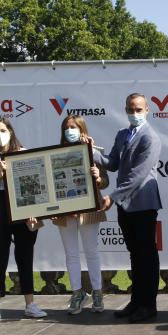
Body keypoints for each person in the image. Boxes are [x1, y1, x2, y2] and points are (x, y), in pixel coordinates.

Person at [92, 93, 163, 323]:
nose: (134, 113)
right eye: (131, 109)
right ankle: (136, 301)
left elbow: (137, 176)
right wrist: (90, 151)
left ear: (147, 110)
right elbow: (112, 164)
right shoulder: (123, 134)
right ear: (125, 110)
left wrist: (112, 197)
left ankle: (148, 305)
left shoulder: (150, 138)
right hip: (125, 205)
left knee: (147, 256)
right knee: (135, 255)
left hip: (143, 204)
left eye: (139, 109)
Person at [0, 117, 45, 325]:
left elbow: (36, 187)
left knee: (25, 256)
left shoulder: (24, 154)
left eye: (3, 130)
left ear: (11, 132)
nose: (0, 134)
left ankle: (30, 304)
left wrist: (36, 210)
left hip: (23, 209)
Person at [53, 115, 108, 315]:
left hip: (89, 209)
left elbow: (105, 182)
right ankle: (77, 293)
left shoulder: (95, 152)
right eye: (67, 128)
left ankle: (98, 293)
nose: (70, 131)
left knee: (92, 252)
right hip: (65, 210)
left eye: (74, 127)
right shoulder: (55, 154)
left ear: (82, 129)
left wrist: (98, 177)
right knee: (71, 254)